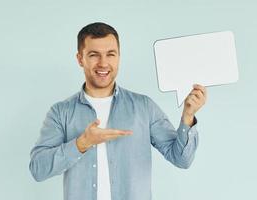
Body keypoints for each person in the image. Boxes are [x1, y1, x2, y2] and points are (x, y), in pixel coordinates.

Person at [29, 22, 207, 200]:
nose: (103, 63)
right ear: (80, 59)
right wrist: (81, 143)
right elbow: (38, 169)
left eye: (110, 54)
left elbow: (181, 159)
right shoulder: (61, 112)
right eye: (93, 55)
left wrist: (188, 116)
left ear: (119, 57)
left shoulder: (144, 107)